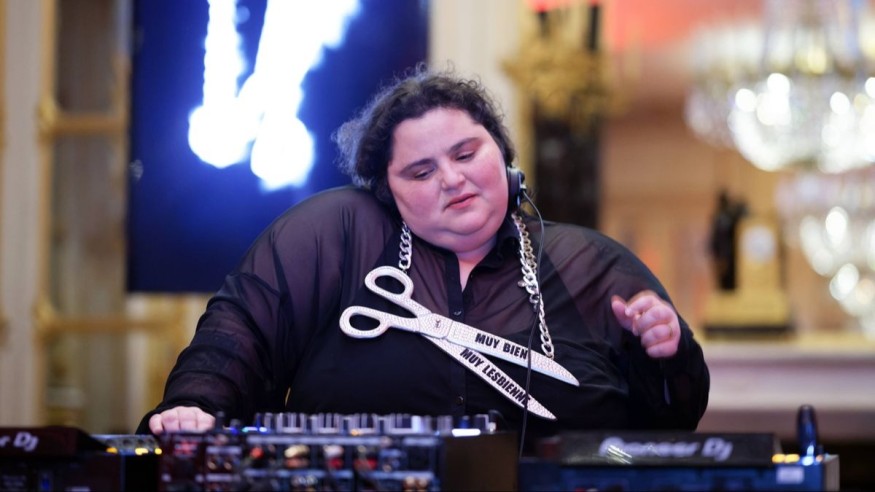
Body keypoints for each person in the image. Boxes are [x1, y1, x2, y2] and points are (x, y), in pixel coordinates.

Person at [137, 65, 709, 448]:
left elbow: (673, 424)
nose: (452, 180)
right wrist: (195, 404)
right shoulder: (336, 233)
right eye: (421, 171)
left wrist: (666, 352)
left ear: (504, 157)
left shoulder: (591, 264)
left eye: (466, 153)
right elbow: (240, 330)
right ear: (387, 193)